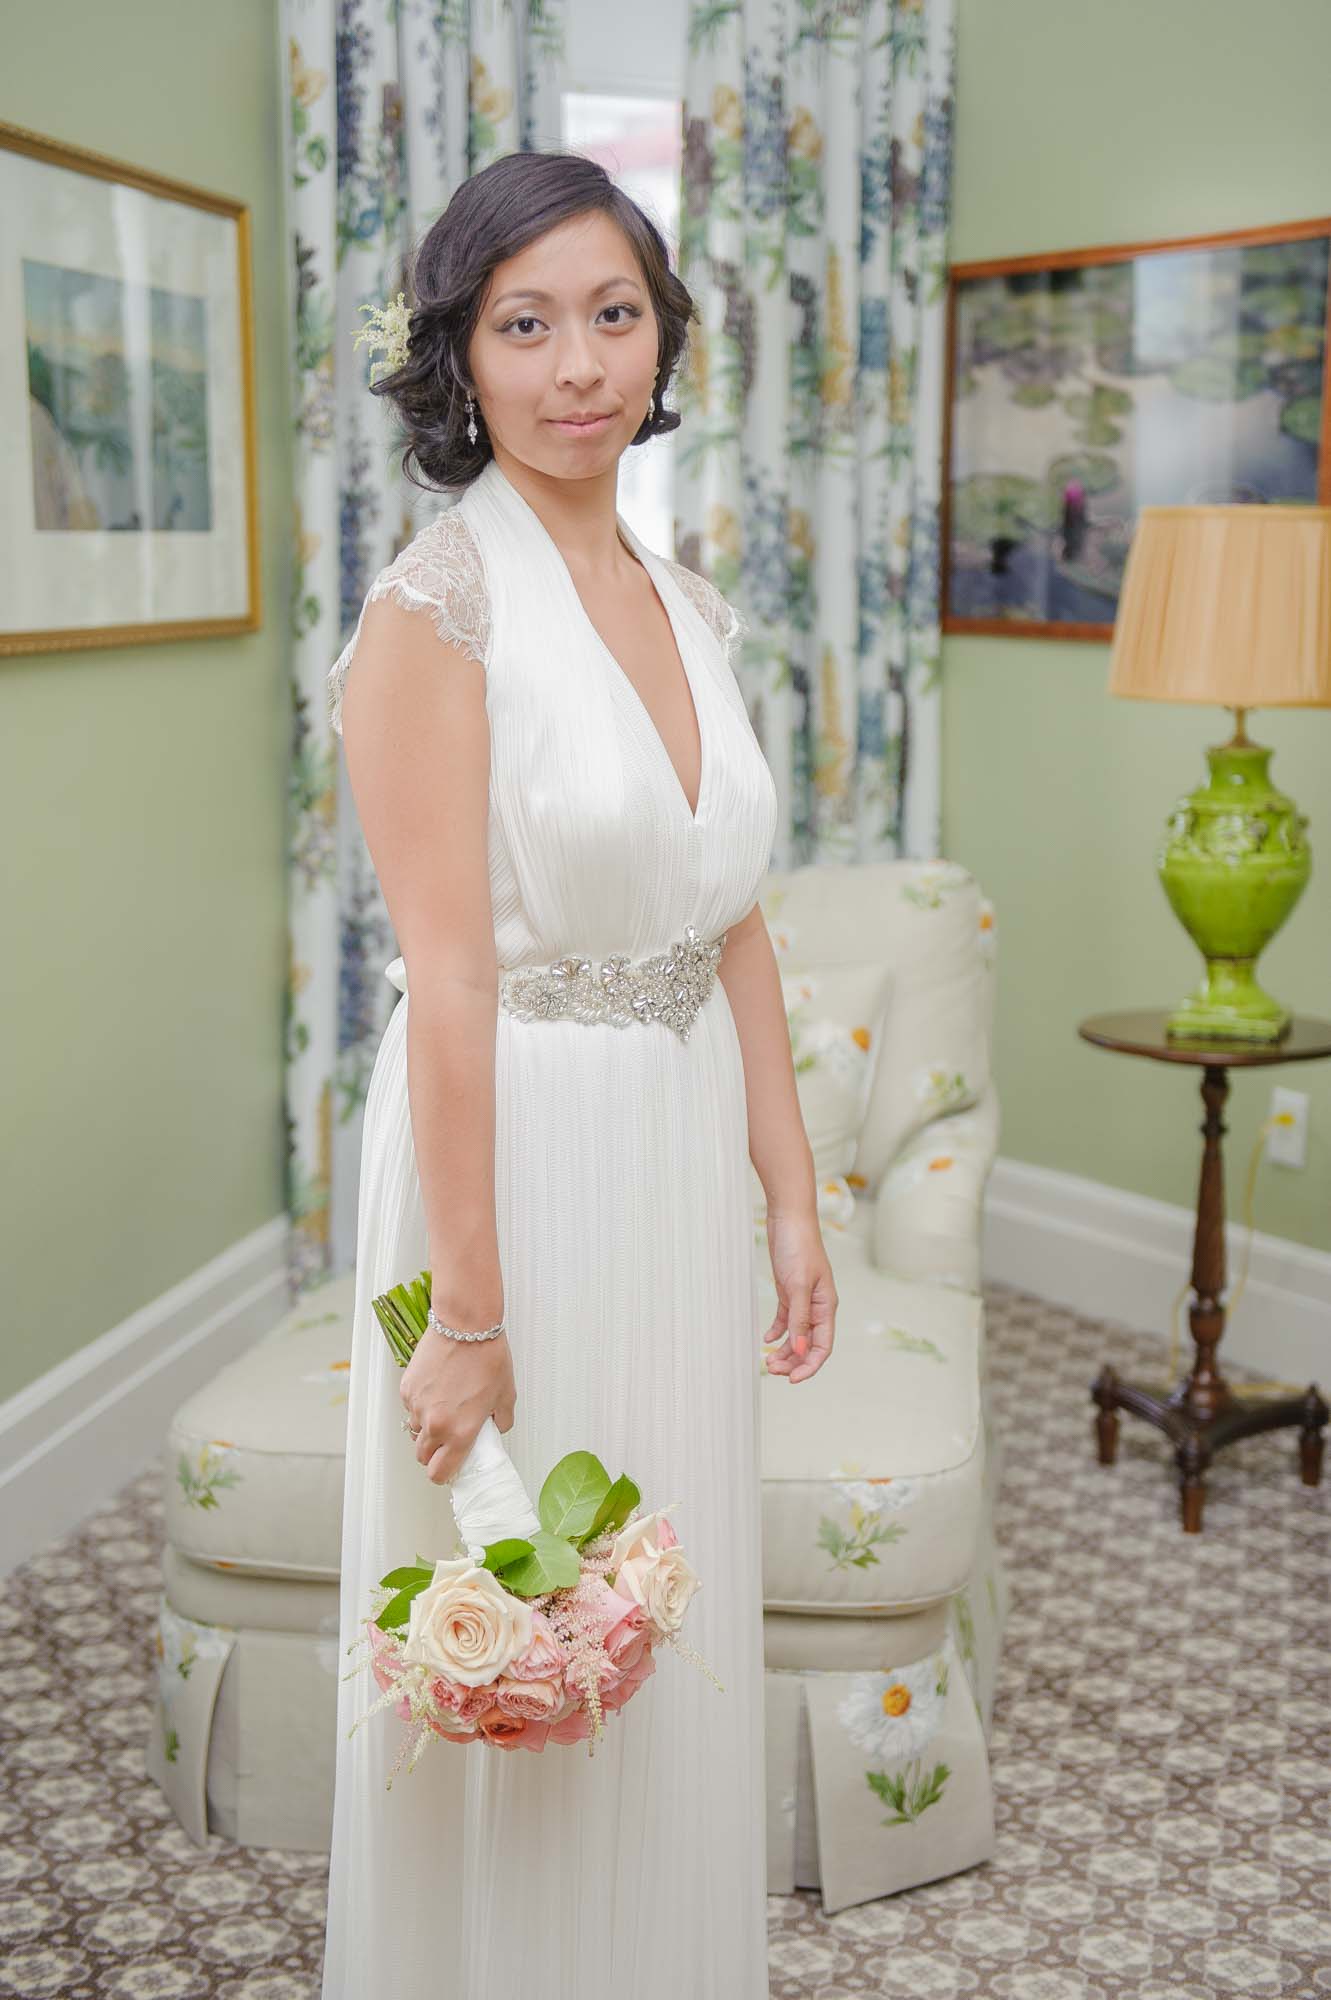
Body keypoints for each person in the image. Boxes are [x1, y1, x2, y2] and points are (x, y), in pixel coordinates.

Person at [320, 148, 838, 2000]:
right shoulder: (435, 612)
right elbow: (446, 975)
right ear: (459, 355)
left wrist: (791, 1197)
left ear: (661, 335)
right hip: (511, 1154)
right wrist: (465, 1312)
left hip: (676, 1147)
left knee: (665, 1600)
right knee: (527, 1612)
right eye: (522, 324)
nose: (574, 365)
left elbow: (740, 918)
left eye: (611, 315)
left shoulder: (683, 597)